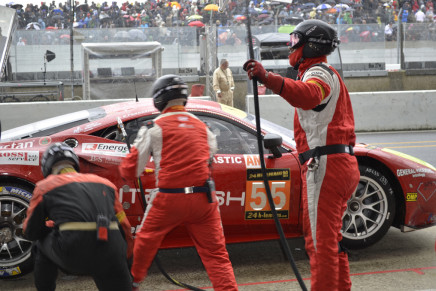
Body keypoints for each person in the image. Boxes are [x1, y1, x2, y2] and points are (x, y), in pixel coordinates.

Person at [243, 19, 360, 291]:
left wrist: (268, 79)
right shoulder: (324, 71)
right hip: (340, 163)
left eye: (295, 39)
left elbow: (308, 96)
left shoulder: (317, 72)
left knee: (319, 245)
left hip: (326, 165)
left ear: (311, 44)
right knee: (331, 241)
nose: (290, 45)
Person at [119, 75, 238, 291]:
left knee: (145, 240)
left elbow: (131, 169)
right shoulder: (203, 126)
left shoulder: (154, 126)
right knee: (217, 256)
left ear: (159, 99)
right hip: (204, 200)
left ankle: (133, 283)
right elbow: (209, 157)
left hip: (169, 199)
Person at [23, 142, 133, 291]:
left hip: (74, 253)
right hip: (111, 251)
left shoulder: (45, 186)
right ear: (74, 163)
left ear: (47, 167)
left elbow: (30, 231)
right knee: (109, 260)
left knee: (40, 245)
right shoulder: (107, 184)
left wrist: (51, 227)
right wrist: (127, 261)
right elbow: (125, 227)